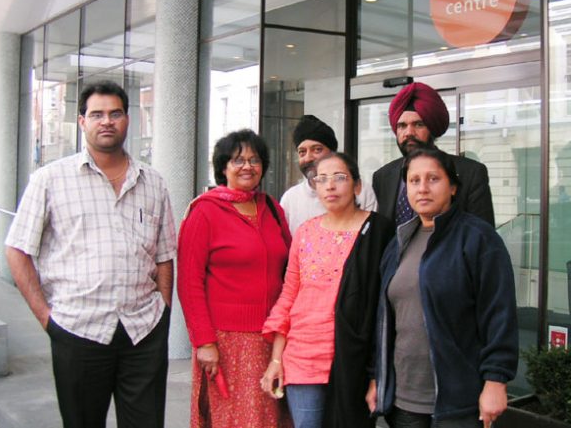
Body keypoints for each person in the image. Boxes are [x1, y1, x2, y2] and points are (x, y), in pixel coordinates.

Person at [5, 80, 176, 428]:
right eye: (96, 114)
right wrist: (47, 319)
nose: (107, 121)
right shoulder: (50, 179)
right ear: (82, 121)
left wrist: (164, 311)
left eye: (115, 113)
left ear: (129, 120)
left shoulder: (153, 182)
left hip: (143, 331)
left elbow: (164, 255)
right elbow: (17, 249)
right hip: (77, 330)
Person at [367, 148, 518, 428]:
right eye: (414, 181)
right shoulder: (398, 242)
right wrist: (378, 376)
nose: (422, 188)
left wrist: (496, 380)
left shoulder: (478, 239)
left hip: (457, 401)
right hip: (403, 401)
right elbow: (385, 319)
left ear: (452, 187)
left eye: (433, 179)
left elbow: (499, 313)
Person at [261, 152, 394, 428]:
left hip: (352, 357)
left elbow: (385, 306)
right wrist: (276, 359)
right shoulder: (305, 232)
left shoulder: (378, 231)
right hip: (303, 356)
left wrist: (377, 371)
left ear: (357, 186)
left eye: (339, 178)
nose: (330, 186)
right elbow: (290, 294)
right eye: (321, 180)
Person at [177, 129, 292, 428]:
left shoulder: (272, 208)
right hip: (226, 342)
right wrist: (204, 341)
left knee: (269, 419)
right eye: (238, 159)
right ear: (223, 167)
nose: (247, 166)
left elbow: (291, 269)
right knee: (234, 419)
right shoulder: (204, 211)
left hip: (273, 339)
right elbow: (189, 284)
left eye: (254, 160)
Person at [372, 82, 494, 227]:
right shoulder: (383, 177)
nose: (409, 132)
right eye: (402, 126)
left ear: (432, 129)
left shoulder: (470, 173)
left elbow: (484, 238)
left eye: (418, 124)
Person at [281, 114, 378, 234]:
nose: (308, 158)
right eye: (302, 152)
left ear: (333, 153)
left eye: (317, 149)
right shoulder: (290, 199)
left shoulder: (361, 190)